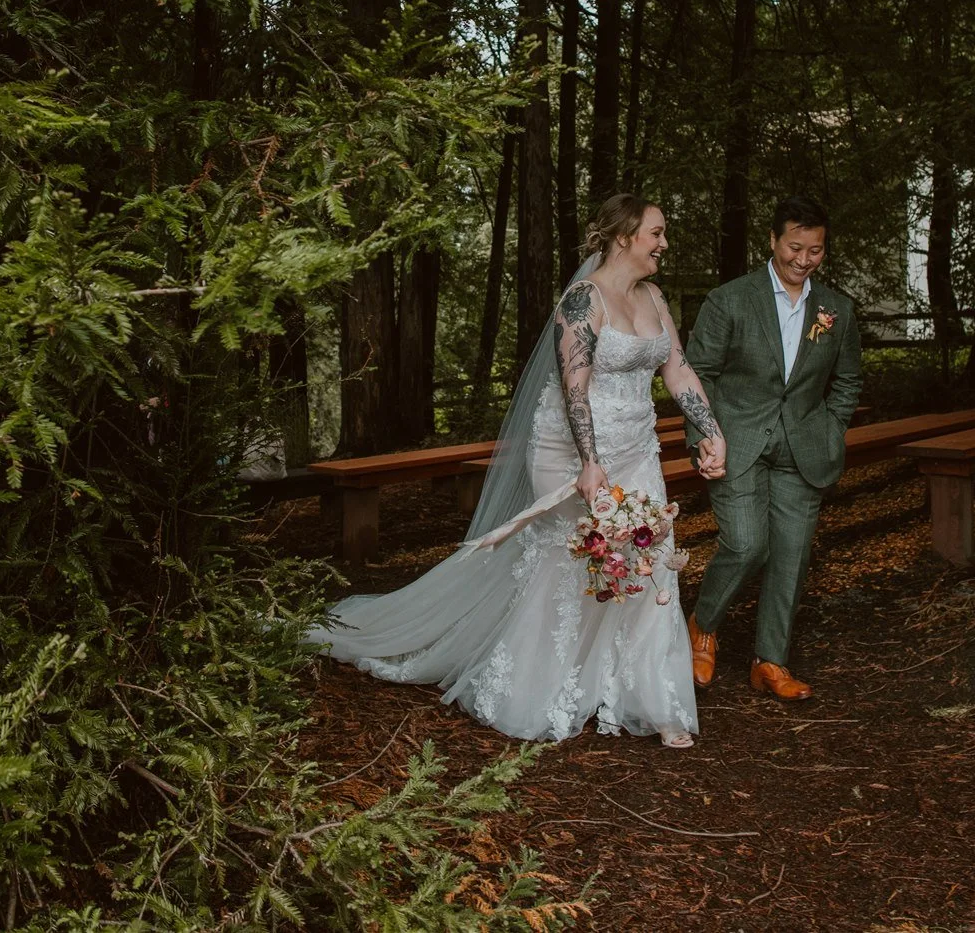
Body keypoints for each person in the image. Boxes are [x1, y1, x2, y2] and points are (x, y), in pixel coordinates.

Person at [310, 195, 727, 747]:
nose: (664, 243)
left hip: (637, 446)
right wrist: (589, 464)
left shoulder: (653, 296)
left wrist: (712, 429)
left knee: (648, 555)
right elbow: (575, 388)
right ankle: (537, 687)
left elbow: (677, 369)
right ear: (624, 236)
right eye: (656, 233)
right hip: (572, 450)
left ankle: (652, 697)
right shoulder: (583, 301)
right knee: (572, 560)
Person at [683, 194, 863, 700]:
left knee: (792, 554)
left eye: (816, 250)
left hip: (805, 447)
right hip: (735, 441)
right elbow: (698, 376)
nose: (803, 260)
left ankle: (771, 662)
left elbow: (847, 380)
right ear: (773, 241)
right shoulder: (730, 299)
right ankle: (703, 622)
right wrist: (704, 435)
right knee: (745, 543)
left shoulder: (837, 310)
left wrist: (831, 426)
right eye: (795, 247)